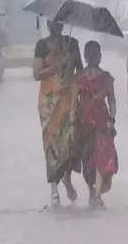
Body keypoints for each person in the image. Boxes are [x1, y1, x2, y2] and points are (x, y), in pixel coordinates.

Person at [33, 20, 83, 207]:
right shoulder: (42, 45)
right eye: (53, 22)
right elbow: (36, 74)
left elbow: (80, 71)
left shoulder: (73, 44)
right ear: (48, 24)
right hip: (48, 104)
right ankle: (53, 188)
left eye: (59, 22)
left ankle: (67, 179)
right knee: (52, 144)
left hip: (69, 102)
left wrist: (76, 88)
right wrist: (56, 67)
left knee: (70, 142)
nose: (56, 25)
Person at [74, 40, 118, 209]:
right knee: (98, 158)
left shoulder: (79, 78)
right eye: (92, 53)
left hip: (88, 121)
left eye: (94, 53)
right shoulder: (105, 78)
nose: (93, 56)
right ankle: (96, 194)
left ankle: (95, 193)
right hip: (99, 121)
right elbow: (112, 101)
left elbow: (73, 102)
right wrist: (112, 120)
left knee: (91, 159)